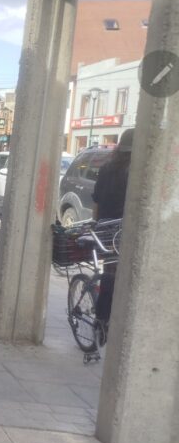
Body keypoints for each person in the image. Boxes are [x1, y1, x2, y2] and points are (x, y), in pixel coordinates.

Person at [90, 127, 134, 330]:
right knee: (122, 278)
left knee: (110, 274)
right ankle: (108, 321)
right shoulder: (134, 172)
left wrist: (97, 226)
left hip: (106, 228)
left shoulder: (107, 167)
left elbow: (96, 200)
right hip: (123, 230)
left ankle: (101, 320)